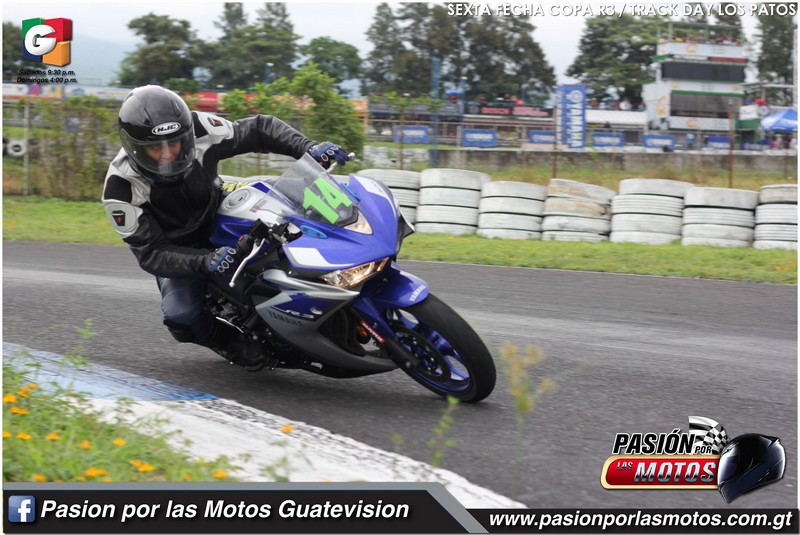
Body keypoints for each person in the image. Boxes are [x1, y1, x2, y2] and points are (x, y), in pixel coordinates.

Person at [101, 85, 350, 369]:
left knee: (296, 202)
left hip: (219, 206)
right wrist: (203, 261)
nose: (168, 154)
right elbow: (151, 254)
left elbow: (259, 128)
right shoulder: (120, 189)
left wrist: (308, 148)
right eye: (156, 147)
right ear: (134, 148)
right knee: (181, 317)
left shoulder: (199, 127)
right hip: (181, 248)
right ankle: (229, 343)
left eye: (175, 142)